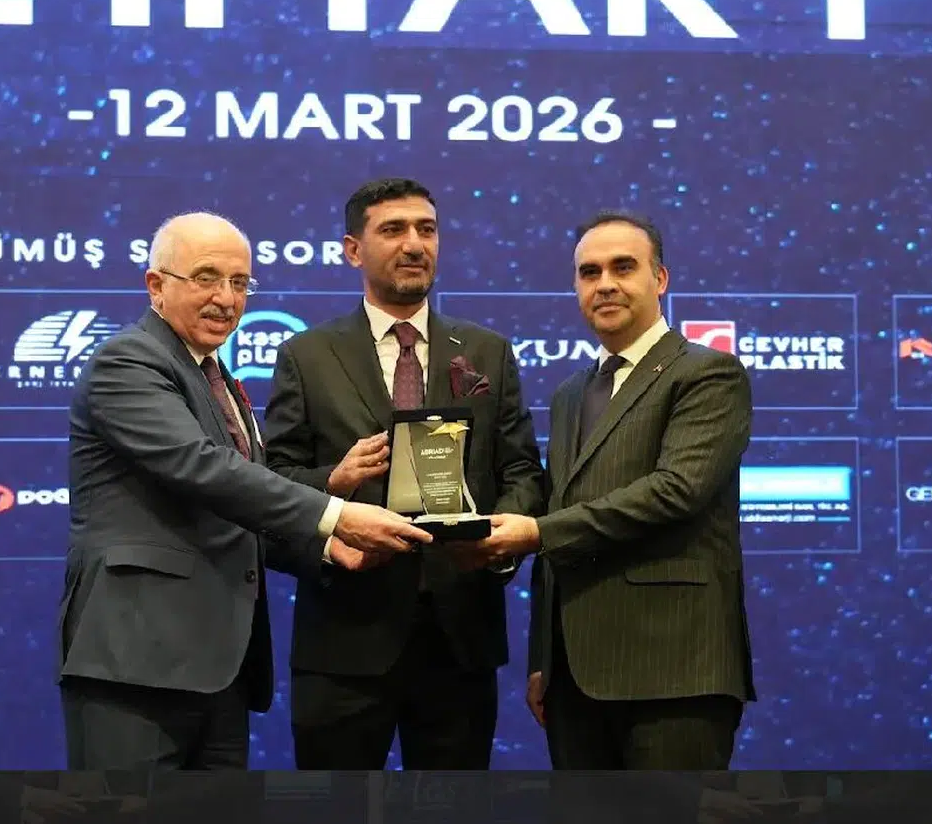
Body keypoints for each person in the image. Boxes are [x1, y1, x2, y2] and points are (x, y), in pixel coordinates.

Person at [58, 211, 432, 771]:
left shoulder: (217, 379)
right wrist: (337, 515)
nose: (226, 299)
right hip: (136, 662)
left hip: (219, 671)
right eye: (206, 278)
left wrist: (327, 549)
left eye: (239, 283)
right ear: (156, 285)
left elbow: (238, 508)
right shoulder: (128, 362)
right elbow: (203, 469)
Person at [262, 177, 545, 770]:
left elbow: (521, 469)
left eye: (427, 230)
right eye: (393, 230)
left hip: (460, 638)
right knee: (336, 808)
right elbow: (272, 483)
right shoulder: (306, 356)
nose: (414, 244)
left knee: (453, 806)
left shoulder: (487, 351)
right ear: (353, 249)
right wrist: (333, 483)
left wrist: (497, 544)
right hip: (343, 640)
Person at [464, 208, 756, 770]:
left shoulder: (707, 373)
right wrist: (545, 658)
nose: (605, 284)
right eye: (589, 272)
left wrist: (535, 532)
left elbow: (675, 491)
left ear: (660, 279)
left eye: (623, 267)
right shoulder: (572, 392)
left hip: (674, 672)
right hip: (574, 678)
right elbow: (559, 511)